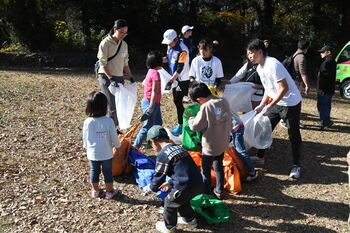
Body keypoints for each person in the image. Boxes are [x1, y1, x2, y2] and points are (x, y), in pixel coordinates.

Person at [247, 39, 303, 179]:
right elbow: (268, 87)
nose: (250, 56)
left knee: (293, 134)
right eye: (248, 54)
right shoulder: (260, 68)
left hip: (290, 103)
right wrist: (262, 104)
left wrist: (270, 105)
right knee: (265, 127)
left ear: (260, 52)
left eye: (251, 53)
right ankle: (260, 156)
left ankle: (296, 165)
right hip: (276, 102)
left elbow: (283, 87)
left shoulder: (273, 64)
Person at [143, 125, 203, 233]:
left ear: (153, 141)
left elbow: (158, 176)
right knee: (181, 200)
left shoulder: (163, 154)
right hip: (197, 181)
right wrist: (170, 182)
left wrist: (151, 188)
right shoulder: (179, 148)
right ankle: (190, 220)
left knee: (170, 202)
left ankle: (169, 227)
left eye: (151, 145)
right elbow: (184, 169)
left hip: (185, 185)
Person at [188, 83, 232, 199]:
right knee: (218, 166)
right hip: (222, 141)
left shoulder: (206, 107)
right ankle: (219, 190)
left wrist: (191, 119)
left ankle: (206, 193)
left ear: (200, 99)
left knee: (205, 171)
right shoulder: (224, 101)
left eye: (197, 102)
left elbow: (196, 126)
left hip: (210, 145)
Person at [96, 19, 134, 128]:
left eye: (125, 33)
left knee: (119, 104)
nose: (123, 35)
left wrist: (130, 77)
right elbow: (103, 64)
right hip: (106, 77)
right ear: (114, 29)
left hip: (119, 77)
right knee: (111, 105)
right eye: (121, 32)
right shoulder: (105, 43)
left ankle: (116, 128)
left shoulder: (124, 45)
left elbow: (125, 63)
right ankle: (112, 130)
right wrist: (110, 78)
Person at [83, 91, 121, 199]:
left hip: (93, 152)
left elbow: (85, 137)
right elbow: (114, 136)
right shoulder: (108, 121)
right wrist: (118, 146)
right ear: (105, 106)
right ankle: (109, 192)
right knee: (107, 172)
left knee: (94, 171)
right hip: (106, 152)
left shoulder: (88, 122)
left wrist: (86, 147)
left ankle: (95, 191)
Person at [162, 29, 190, 135]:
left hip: (182, 80)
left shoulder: (183, 50)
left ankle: (182, 125)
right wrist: (159, 60)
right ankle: (182, 124)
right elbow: (168, 58)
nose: (168, 44)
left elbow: (180, 68)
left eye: (170, 42)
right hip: (174, 79)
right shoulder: (170, 46)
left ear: (176, 39)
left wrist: (171, 80)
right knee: (176, 101)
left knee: (179, 101)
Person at [133, 51, 163, 148]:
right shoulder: (155, 74)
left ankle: (152, 144)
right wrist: (151, 106)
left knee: (158, 124)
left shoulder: (151, 71)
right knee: (147, 127)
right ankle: (135, 146)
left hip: (154, 103)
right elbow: (154, 91)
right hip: (151, 103)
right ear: (158, 62)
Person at [231, 112, 258, 181]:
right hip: (236, 125)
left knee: (240, 150)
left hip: (235, 128)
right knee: (238, 149)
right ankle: (245, 167)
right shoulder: (220, 102)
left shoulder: (214, 105)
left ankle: (252, 172)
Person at [317, 45, 336, 130]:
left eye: (322, 52)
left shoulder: (326, 62)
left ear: (328, 52)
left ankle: (325, 122)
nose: (321, 53)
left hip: (324, 89)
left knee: (322, 105)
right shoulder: (333, 61)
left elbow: (323, 77)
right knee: (327, 105)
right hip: (330, 88)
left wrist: (320, 88)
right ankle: (327, 120)